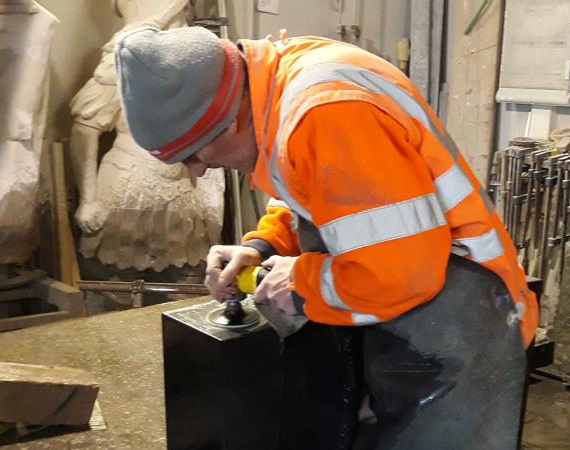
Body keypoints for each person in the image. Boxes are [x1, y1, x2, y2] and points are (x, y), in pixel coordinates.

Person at [114, 26, 538, 449]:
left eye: (195, 153)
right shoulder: (278, 79)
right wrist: (265, 244)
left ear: (229, 121)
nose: (199, 171)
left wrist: (302, 280)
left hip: (460, 327)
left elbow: (400, 272)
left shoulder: (326, 111)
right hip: (412, 309)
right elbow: (322, 191)